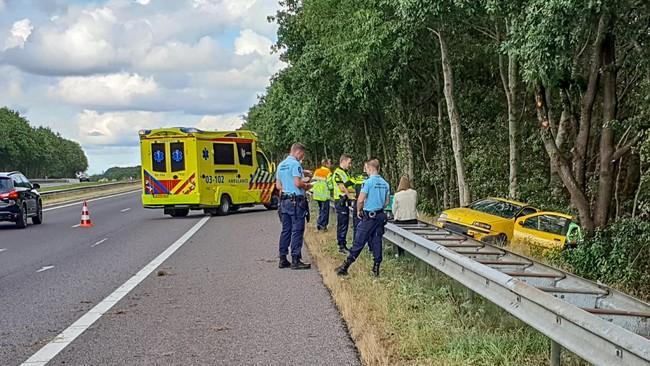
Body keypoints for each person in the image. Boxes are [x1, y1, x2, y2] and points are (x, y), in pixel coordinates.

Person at [336, 159, 390, 277]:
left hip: (369, 216)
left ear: (370, 168)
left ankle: (345, 266)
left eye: (367, 168)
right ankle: (376, 268)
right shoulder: (385, 183)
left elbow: (360, 200)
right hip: (380, 216)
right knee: (377, 240)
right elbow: (387, 202)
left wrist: (359, 210)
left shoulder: (368, 182)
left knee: (359, 240)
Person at [276, 143, 312, 270]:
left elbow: (278, 186)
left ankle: (282, 258)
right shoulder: (295, 164)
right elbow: (297, 183)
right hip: (296, 202)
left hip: (284, 201)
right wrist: (307, 185)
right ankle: (296, 259)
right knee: (297, 230)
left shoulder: (281, 165)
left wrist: (288, 186)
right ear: (298, 152)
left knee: (286, 230)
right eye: (302, 155)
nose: (302, 157)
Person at [333, 154, 355, 253]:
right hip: (340, 200)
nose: (350, 165)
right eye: (349, 163)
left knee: (345, 223)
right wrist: (350, 195)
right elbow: (342, 187)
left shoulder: (345, 173)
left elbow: (349, 186)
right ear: (343, 161)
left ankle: (343, 244)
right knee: (342, 224)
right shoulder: (338, 173)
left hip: (345, 201)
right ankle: (341, 246)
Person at [392, 176, 418, 256]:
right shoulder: (414, 193)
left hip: (401, 219)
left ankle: (401, 253)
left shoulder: (397, 195)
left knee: (400, 238)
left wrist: (395, 215)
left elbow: (394, 209)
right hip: (412, 218)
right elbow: (416, 203)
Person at [312, 159, 333, 231]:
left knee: (321, 210)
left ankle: (319, 223)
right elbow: (330, 185)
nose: (331, 165)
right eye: (330, 163)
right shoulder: (328, 172)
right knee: (325, 211)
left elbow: (313, 182)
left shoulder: (317, 171)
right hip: (324, 195)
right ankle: (323, 225)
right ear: (326, 164)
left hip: (317, 195)